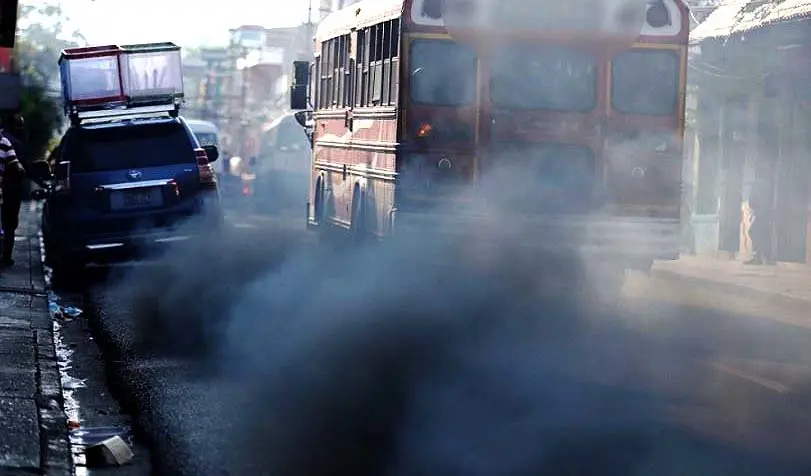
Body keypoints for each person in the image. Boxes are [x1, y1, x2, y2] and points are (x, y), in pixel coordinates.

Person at [0, 114, 46, 267]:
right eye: (19, 126)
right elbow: (21, 168)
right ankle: (6, 256)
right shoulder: (10, 143)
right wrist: (41, 181)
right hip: (9, 190)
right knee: (9, 224)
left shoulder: (7, 140)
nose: (22, 130)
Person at [745, 177, 773, 265]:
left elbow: (753, 203)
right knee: (756, 233)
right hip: (762, 216)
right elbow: (752, 204)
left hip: (763, 217)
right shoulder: (763, 194)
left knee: (754, 232)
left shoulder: (761, 194)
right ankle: (761, 256)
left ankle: (762, 256)